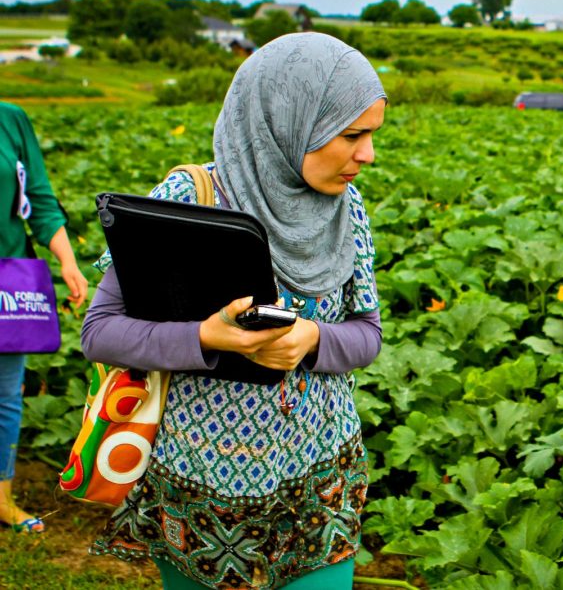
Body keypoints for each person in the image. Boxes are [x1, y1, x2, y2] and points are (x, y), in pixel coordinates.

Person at [81, 32, 386, 589]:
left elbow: (367, 334)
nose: (366, 154)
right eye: (351, 135)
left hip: (319, 478)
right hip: (199, 487)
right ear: (289, 120)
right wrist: (207, 337)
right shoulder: (190, 195)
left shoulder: (348, 208)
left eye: (371, 135)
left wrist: (313, 339)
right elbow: (99, 333)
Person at [1, 101, 88, 533]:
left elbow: (37, 195)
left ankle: (2, 499)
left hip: (7, 279)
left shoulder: (11, 120)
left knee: (5, 394)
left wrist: (68, 261)